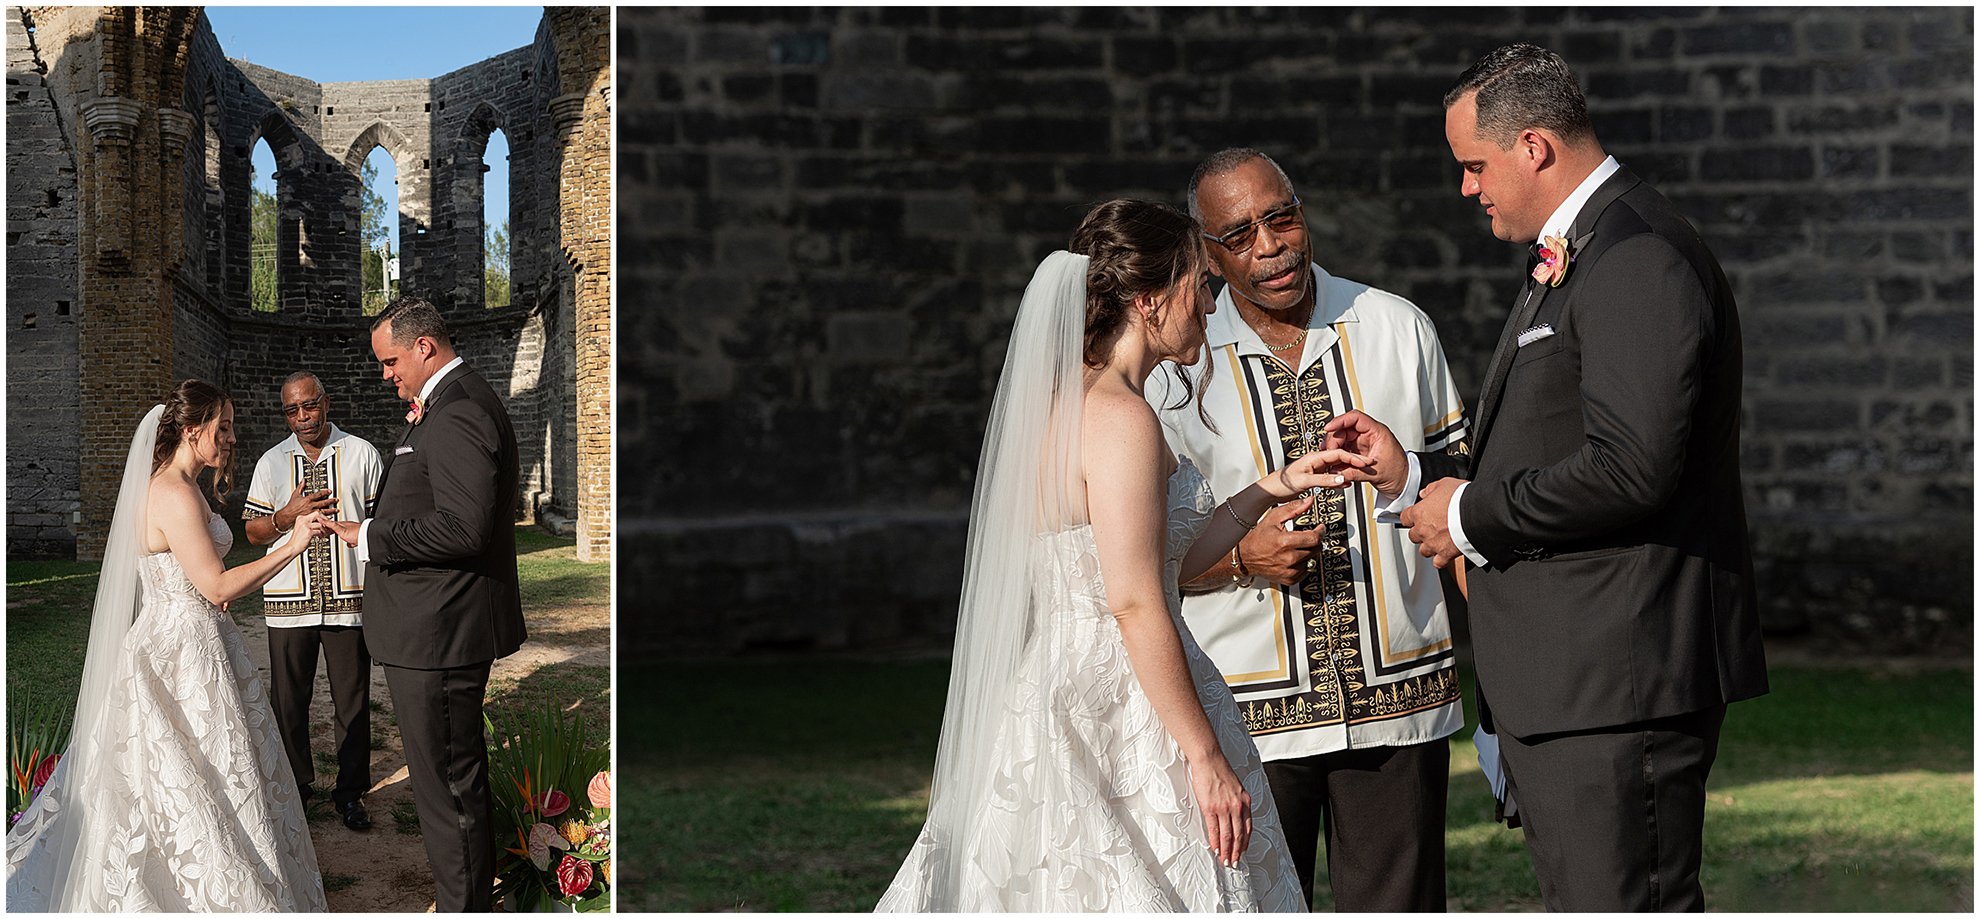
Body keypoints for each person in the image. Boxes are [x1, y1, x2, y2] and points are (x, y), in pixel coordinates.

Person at [1326, 44, 1769, 911]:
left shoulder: (1634, 258)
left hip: (1618, 677)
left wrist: (1469, 519)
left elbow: (1632, 466)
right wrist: (1414, 471)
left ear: (1533, 146)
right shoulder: (1586, 247)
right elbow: (1554, 442)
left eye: (1474, 165)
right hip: (1575, 679)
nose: (1466, 188)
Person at [877, 199, 1371, 912]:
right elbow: (1136, 600)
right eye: (1198, 283)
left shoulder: (1068, 401)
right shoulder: (1120, 417)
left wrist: (1275, 485)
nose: (1210, 301)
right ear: (1148, 300)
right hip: (1124, 703)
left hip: (1059, 686)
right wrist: (1203, 755)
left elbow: (1163, 560)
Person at [1148, 148, 1467, 911]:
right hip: (1245, 710)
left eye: (1281, 216)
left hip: (1400, 697)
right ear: (1207, 253)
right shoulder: (1178, 366)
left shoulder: (1395, 325)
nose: (1269, 244)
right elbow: (1131, 559)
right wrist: (1238, 559)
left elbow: (1463, 495)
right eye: (1239, 233)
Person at [6, 380, 331, 911]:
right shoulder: (174, 493)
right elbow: (218, 587)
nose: (229, 438)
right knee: (184, 776)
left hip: (200, 640)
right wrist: (292, 544)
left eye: (231, 427)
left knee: (209, 774)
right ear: (190, 428)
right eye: (221, 427)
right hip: (180, 652)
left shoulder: (186, 484)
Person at [330, 297, 525, 912]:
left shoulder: (460, 410)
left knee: (446, 785)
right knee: (448, 780)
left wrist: (373, 537)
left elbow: (466, 527)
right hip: (434, 627)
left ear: (424, 347)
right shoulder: (444, 404)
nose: (386, 375)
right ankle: (464, 896)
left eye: (390, 362)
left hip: (442, 631)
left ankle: (464, 904)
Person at [244, 371, 384, 833]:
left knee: (353, 702)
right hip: (288, 601)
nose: (302, 417)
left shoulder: (362, 453)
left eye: (309, 406)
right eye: (291, 410)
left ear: (326, 403)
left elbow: (384, 522)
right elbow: (253, 530)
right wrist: (287, 515)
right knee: (289, 703)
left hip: (350, 598)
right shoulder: (271, 463)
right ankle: (297, 790)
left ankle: (351, 793)